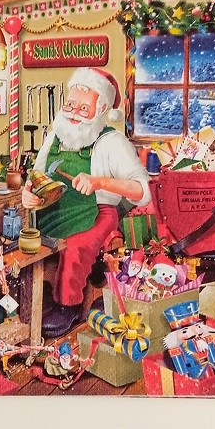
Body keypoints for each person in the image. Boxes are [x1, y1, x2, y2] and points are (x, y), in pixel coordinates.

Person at [22, 67, 151, 337]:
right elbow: (36, 175)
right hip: (54, 209)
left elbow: (141, 190)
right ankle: (29, 299)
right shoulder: (54, 137)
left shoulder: (112, 142)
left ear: (101, 108)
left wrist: (100, 182)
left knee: (75, 246)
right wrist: (28, 193)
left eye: (83, 107)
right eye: (70, 104)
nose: (73, 112)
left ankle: (68, 305)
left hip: (99, 212)